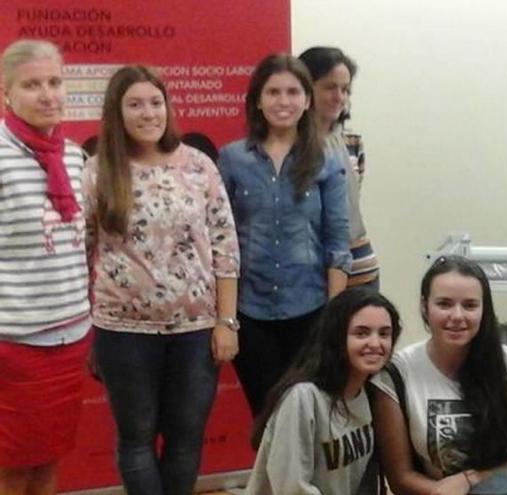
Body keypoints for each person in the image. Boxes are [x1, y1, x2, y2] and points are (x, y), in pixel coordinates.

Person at [83, 65, 240, 495]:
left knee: (186, 438)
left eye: (155, 102)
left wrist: (226, 323)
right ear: (118, 112)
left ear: (168, 107)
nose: (148, 113)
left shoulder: (198, 166)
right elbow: (82, 249)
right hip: (122, 331)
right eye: (134, 104)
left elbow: (226, 245)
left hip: (195, 331)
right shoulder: (98, 171)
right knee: (135, 439)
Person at [217, 53, 351, 417]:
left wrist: (333, 321)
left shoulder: (327, 163)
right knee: (266, 418)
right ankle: (273, 477)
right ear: (257, 100)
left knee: (308, 416)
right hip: (250, 312)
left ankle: (301, 478)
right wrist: (225, 319)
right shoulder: (232, 160)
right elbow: (221, 240)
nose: (283, 101)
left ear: (307, 100)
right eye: (273, 92)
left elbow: (338, 245)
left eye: (293, 92)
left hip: (310, 311)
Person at [371, 255, 507, 494]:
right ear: (424, 306)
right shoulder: (397, 372)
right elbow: (401, 478)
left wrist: (470, 479)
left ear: (484, 309)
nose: (457, 316)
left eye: (470, 305)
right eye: (444, 304)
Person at [0, 39, 91, 495]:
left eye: (54, 82)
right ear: (6, 94)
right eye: (32, 84)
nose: (47, 94)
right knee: (12, 466)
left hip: (70, 336)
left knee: (51, 457)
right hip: (15, 345)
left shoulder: (73, 156)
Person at [246, 287, 402, 494]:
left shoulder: (370, 392)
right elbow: (291, 489)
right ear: (337, 337)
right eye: (361, 333)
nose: (375, 343)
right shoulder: (303, 398)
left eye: (384, 334)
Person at [300, 46, 379, 289]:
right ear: (306, 88)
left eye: (345, 90)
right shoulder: (286, 149)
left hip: (361, 267)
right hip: (310, 274)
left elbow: (348, 212)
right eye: (330, 87)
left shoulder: (353, 143)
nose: (339, 97)